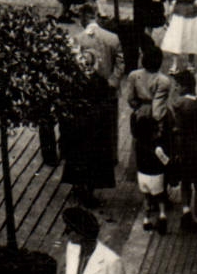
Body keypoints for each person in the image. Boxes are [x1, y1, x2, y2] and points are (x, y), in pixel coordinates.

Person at [61, 48, 117, 209]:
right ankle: (86, 191)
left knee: (80, 158)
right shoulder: (99, 81)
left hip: (80, 127)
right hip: (94, 127)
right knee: (92, 161)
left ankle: (80, 188)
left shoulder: (73, 82)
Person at [167, 70, 197, 229]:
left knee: (186, 181)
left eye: (177, 85)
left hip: (184, 147)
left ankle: (186, 211)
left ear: (184, 87)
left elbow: (177, 129)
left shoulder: (179, 104)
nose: (175, 88)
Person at [130, 106, 171, 234]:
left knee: (147, 198)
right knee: (160, 198)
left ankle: (146, 220)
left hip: (142, 175)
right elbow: (165, 160)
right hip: (156, 176)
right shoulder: (157, 146)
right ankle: (162, 217)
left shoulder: (138, 144)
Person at [126, 46, 175, 128]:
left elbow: (131, 99)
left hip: (139, 113)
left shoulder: (133, 75)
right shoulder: (163, 80)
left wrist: (138, 109)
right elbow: (158, 105)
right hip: (156, 116)